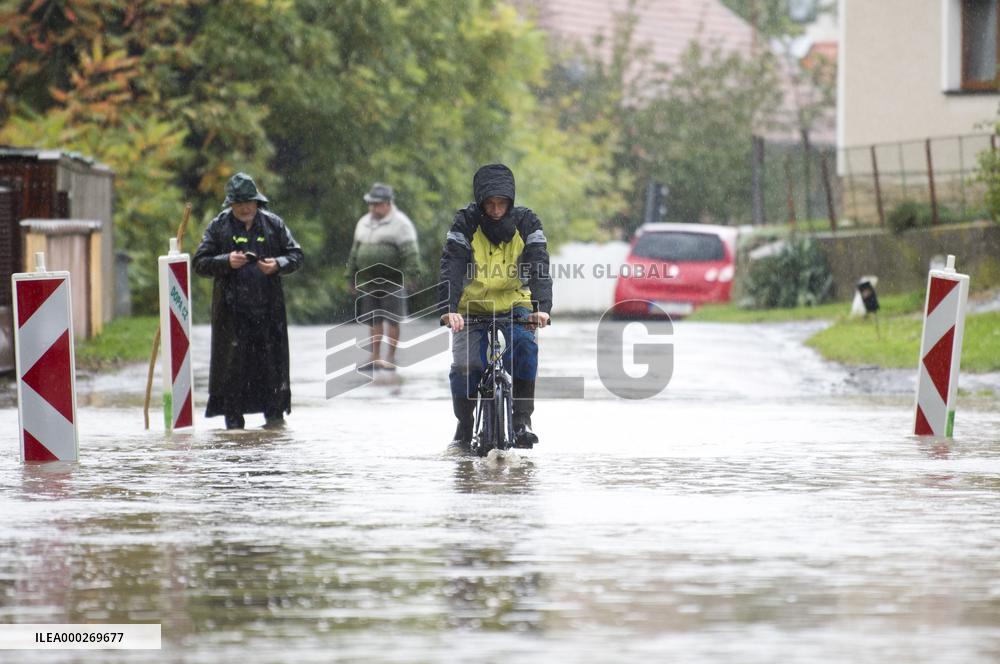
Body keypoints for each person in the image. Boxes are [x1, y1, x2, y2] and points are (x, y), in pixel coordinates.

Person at [439, 164, 552, 449]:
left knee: (526, 346)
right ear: (480, 202)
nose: (496, 209)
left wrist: (542, 307)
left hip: (515, 302)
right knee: (467, 367)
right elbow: (451, 265)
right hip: (471, 306)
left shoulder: (527, 222)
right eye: (490, 203)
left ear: (510, 201)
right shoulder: (465, 223)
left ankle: (522, 420)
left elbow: (539, 264)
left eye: (502, 203)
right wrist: (449, 307)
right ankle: (465, 425)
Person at [193, 172, 304, 430]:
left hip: (269, 313)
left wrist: (278, 264)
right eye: (240, 202)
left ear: (257, 202)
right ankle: (234, 426)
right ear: (231, 204)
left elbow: (296, 255)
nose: (245, 207)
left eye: (250, 202)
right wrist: (226, 262)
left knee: (271, 369)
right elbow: (200, 263)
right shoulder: (218, 226)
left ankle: (274, 422)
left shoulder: (274, 224)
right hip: (232, 315)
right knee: (233, 371)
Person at [346, 182, 422, 370]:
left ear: (388, 203)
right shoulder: (363, 222)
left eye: (377, 203)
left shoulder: (401, 223)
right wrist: (351, 277)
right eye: (371, 203)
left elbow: (410, 253)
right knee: (373, 319)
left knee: (392, 319)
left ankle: (390, 357)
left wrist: (412, 275)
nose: (373, 207)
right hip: (369, 280)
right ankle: (375, 356)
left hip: (392, 280)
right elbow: (354, 252)